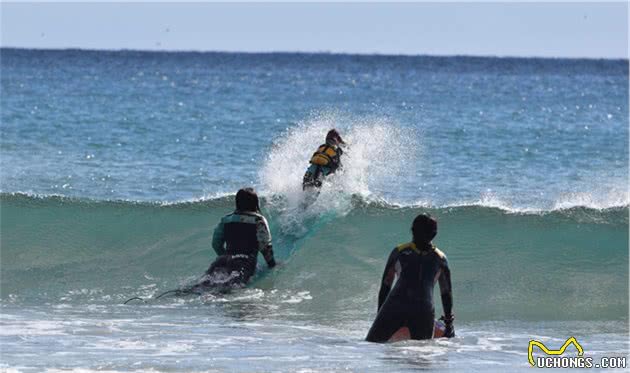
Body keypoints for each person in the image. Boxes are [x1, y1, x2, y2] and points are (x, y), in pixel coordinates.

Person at [365, 213, 454, 342]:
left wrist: (380, 314)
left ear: (412, 230)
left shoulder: (399, 252)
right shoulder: (440, 259)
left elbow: (386, 286)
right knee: (421, 356)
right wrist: (448, 323)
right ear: (434, 234)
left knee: (373, 345)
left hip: (394, 308)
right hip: (423, 312)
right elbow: (446, 293)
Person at [194, 188, 276, 291]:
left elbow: (216, 243)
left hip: (223, 260)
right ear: (255, 203)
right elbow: (265, 246)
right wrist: (272, 265)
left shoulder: (227, 219)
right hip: (245, 261)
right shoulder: (258, 220)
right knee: (229, 290)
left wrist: (225, 256)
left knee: (202, 285)